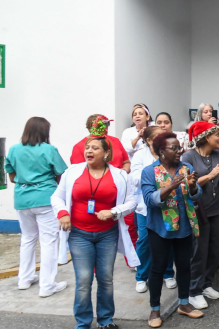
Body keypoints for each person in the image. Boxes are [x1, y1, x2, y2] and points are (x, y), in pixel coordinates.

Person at [50, 135, 139, 329]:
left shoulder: (121, 176)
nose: (89, 151)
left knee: (106, 278)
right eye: (87, 147)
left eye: (95, 148)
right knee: (84, 279)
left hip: (108, 234)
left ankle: (106, 320)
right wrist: (63, 213)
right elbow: (57, 197)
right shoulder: (72, 172)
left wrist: (114, 212)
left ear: (106, 153)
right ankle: (83, 323)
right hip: (79, 234)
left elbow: (132, 202)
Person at [141, 132, 204, 327]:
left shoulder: (187, 168)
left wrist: (193, 187)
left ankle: (184, 304)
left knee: (184, 266)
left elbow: (196, 196)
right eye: (174, 148)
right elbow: (149, 200)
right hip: (159, 228)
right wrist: (170, 186)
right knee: (158, 268)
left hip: (184, 227)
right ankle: (154, 310)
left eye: (180, 147)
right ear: (161, 151)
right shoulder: (149, 172)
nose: (179, 151)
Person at [6, 117, 67, 297]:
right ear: (44, 132)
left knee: (28, 238)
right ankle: (47, 285)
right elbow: (60, 174)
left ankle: (24, 279)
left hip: (22, 199)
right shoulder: (49, 150)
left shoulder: (14, 149)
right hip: (45, 198)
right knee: (48, 241)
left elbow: (11, 177)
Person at [67, 115, 133, 266]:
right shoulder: (79, 147)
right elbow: (77, 175)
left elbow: (126, 162)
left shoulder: (114, 142)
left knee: (128, 229)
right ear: (90, 126)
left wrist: (121, 177)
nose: (105, 127)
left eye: (106, 124)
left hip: (116, 195)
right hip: (92, 199)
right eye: (100, 124)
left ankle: (131, 262)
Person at [180, 121, 219, 310]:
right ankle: (194, 291)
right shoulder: (189, 156)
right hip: (198, 211)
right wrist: (211, 174)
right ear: (205, 137)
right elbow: (187, 186)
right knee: (198, 251)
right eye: (216, 134)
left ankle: (207, 284)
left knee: (214, 249)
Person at [130, 126, 177, 293]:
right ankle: (142, 276)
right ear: (149, 140)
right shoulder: (140, 156)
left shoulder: (170, 154)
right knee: (144, 241)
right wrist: (156, 179)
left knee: (169, 238)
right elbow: (134, 178)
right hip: (146, 207)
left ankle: (168, 274)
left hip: (169, 205)